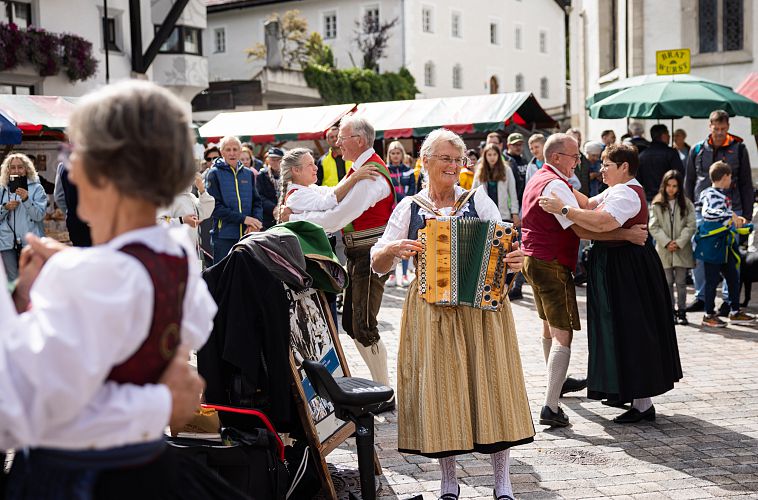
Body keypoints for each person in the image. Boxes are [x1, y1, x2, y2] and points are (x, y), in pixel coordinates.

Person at [1, 80, 221, 498]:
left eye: (75, 153)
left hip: (80, 478)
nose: (70, 168)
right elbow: (180, 323)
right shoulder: (176, 257)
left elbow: (35, 408)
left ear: (109, 173)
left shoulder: (84, 279)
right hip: (148, 465)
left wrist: (29, 301)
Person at [371, 128, 534, 500]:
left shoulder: (478, 201)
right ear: (424, 161)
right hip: (432, 310)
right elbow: (377, 262)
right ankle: (448, 480)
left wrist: (516, 259)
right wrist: (394, 248)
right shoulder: (409, 207)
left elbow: (509, 250)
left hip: (481, 308)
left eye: (457, 159)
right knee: (442, 390)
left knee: (492, 385)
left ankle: (502, 479)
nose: (452, 165)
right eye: (445, 157)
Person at [539, 142, 682, 424]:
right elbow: (589, 203)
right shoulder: (618, 189)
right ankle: (636, 397)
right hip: (617, 265)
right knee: (620, 328)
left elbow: (602, 222)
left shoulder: (628, 193)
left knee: (632, 328)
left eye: (607, 164)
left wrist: (563, 209)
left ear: (624, 167)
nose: (601, 169)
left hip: (628, 268)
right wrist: (558, 183)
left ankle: (643, 403)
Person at [521, 134, 647, 427]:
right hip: (551, 262)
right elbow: (582, 228)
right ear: (556, 158)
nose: (578, 163)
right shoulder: (555, 184)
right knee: (563, 334)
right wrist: (626, 234)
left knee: (549, 329)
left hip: (533, 259)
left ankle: (558, 385)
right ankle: (551, 405)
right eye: (574, 157)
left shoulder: (542, 177)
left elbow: (588, 205)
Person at [282, 116, 395, 399]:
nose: (337, 142)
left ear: (359, 140)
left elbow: (336, 217)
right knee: (352, 324)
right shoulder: (359, 169)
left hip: (370, 252)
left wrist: (294, 217)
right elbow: (329, 199)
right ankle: (380, 385)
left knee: (363, 324)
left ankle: (385, 389)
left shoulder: (372, 174)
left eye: (342, 138)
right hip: (359, 251)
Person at [684, 110, 753, 313]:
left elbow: (746, 182)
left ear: (728, 127)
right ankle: (702, 297)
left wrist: (746, 214)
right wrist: (687, 208)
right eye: (716, 129)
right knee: (701, 254)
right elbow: (689, 180)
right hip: (700, 210)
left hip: (732, 209)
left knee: (730, 256)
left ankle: (727, 301)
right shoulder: (697, 149)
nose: (720, 132)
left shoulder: (738, 148)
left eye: (723, 129)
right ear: (710, 126)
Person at [696, 161, 754, 327]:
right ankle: (708, 315)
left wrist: (737, 220)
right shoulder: (709, 194)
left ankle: (734, 312)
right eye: (730, 177)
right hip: (713, 246)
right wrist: (730, 215)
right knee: (712, 281)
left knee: (733, 278)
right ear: (725, 177)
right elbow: (708, 212)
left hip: (726, 245)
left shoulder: (721, 194)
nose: (731, 180)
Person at [205, 136, 264, 264]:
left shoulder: (248, 174)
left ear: (240, 151)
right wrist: (244, 219)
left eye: (235, 149)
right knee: (224, 278)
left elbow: (257, 202)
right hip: (224, 237)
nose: (232, 153)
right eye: (228, 149)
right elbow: (214, 207)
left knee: (246, 277)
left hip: (248, 235)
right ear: (222, 152)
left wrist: (255, 223)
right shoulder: (214, 173)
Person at [649, 170, 696, 325]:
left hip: (682, 250)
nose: (671, 189)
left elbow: (691, 225)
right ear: (664, 185)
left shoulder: (686, 203)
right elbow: (653, 226)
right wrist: (667, 242)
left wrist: (679, 242)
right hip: (664, 250)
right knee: (667, 282)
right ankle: (670, 311)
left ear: (679, 187)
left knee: (681, 282)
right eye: (668, 185)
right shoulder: (657, 203)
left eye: (675, 186)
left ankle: (682, 311)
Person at [0, 153, 47, 281]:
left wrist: (26, 199)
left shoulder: (37, 188)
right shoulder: (2, 189)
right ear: (8, 170)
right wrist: (4, 208)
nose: (16, 170)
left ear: (26, 169)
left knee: (32, 280)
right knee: (13, 282)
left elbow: (39, 215)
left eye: (20, 167)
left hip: (30, 244)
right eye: (13, 167)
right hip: (7, 244)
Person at [158, 172, 215, 264]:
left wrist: (201, 189)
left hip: (191, 252)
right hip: (173, 252)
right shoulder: (168, 197)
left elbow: (205, 211)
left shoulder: (191, 197)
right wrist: (181, 220)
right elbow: (161, 220)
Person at [385, 141, 415, 287]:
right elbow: (387, 191)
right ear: (389, 155)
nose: (395, 156)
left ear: (402, 154)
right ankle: (391, 275)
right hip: (390, 211)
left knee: (405, 242)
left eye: (398, 153)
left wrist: (404, 201)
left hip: (406, 210)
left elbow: (413, 191)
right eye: (392, 153)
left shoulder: (409, 171)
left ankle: (403, 274)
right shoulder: (385, 170)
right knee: (391, 241)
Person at [637, 124, 684, 203]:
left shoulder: (642, 156)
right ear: (663, 136)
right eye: (668, 134)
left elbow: (638, 179)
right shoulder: (671, 153)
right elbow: (679, 174)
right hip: (668, 198)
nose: (670, 136)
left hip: (648, 198)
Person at [54, 159, 92, 247]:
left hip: (74, 221)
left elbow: (58, 197)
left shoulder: (63, 165)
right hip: (99, 221)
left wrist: (69, 211)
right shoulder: (100, 162)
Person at [257, 147, 283, 229]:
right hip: (268, 217)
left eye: (278, 159)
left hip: (284, 213)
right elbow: (259, 196)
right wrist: (273, 208)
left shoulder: (287, 174)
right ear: (268, 160)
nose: (275, 162)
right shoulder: (262, 175)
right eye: (272, 159)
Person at [504, 132, 529, 205]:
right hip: (510, 204)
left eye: (520, 144)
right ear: (508, 145)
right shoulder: (505, 161)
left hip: (523, 202)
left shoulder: (524, 161)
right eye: (515, 145)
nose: (518, 147)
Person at [566, 128, 591, 196]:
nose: (578, 141)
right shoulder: (564, 159)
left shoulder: (584, 158)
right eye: (574, 139)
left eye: (579, 139)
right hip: (572, 197)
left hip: (585, 198)